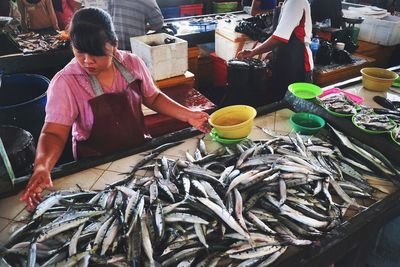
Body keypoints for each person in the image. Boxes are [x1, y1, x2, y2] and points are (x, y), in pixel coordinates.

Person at [20, 7, 210, 208]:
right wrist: (43, 166)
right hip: (94, 164)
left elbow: (153, 98)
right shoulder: (65, 82)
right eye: (79, 51)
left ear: (114, 45)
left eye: (96, 53)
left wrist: (188, 115)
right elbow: (54, 133)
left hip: (138, 152)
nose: (87, 61)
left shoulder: (132, 63)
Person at [237, 0, 313, 103]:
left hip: (298, 64)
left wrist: (253, 52)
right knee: (281, 105)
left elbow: (279, 38)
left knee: (294, 107)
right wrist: (273, 53)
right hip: (286, 61)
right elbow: (285, 34)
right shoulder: (287, 2)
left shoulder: (295, 2)